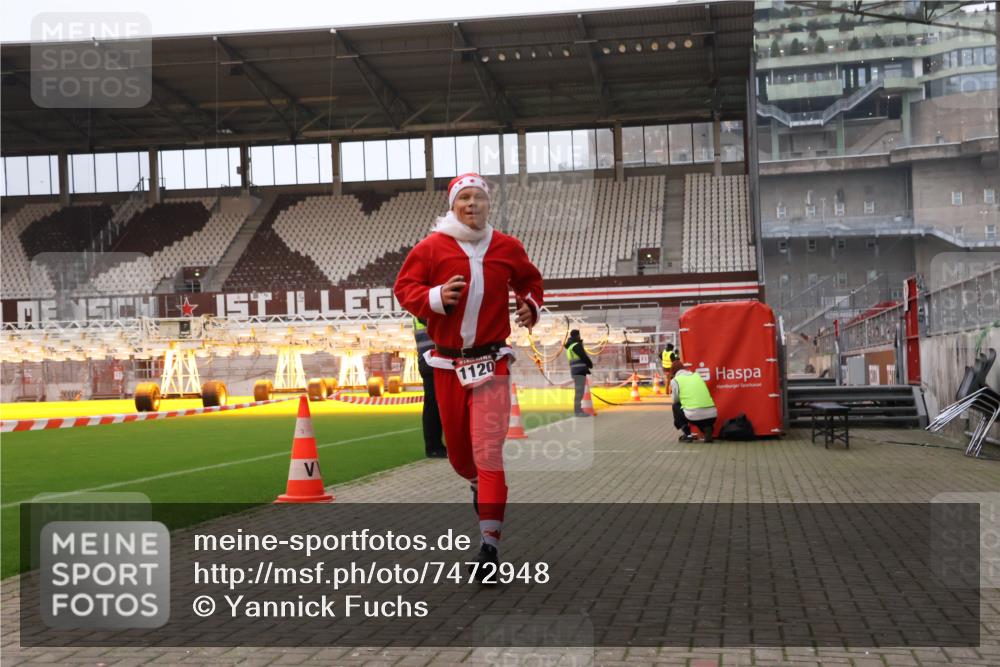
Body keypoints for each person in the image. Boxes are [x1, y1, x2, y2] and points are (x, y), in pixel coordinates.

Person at [394, 172, 543, 581]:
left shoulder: (507, 247)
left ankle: (489, 546)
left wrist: (530, 305)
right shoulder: (431, 248)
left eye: (478, 197)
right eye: (465, 199)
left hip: (492, 362)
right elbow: (404, 288)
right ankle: (475, 484)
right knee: (461, 457)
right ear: (453, 205)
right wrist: (435, 298)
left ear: (488, 203)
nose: (472, 205)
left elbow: (530, 281)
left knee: (488, 453)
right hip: (448, 365)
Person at [413, 317, 447, 458]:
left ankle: (435, 446)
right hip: (432, 358)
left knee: (434, 404)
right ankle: (433, 447)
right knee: (433, 405)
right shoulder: (426, 305)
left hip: (432, 358)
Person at [669, 365, 718, 443]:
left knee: (676, 406)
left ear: (673, 373)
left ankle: (688, 435)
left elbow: (675, 400)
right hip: (712, 415)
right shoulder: (697, 375)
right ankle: (707, 429)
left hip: (694, 415)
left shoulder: (675, 380)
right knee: (697, 411)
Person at [564, 329, 594, 416]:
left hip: (575, 371)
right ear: (577, 335)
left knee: (579, 391)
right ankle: (578, 411)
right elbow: (583, 356)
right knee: (579, 392)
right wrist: (589, 364)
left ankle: (578, 410)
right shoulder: (576, 345)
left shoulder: (570, 347)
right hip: (580, 371)